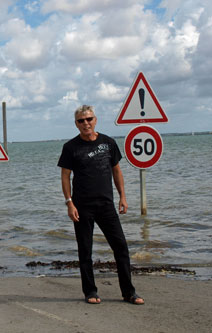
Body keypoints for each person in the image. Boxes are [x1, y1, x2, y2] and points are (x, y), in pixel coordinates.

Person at [57, 105, 144, 305]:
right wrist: (69, 203)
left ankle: (129, 292)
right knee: (85, 250)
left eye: (89, 119)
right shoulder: (71, 147)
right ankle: (90, 292)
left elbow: (117, 171)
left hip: (106, 205)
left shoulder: (108, 142)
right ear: (76, 124)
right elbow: (65, 176)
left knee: (121, 247)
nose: (86, 123)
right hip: (82, 206)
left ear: (95, 120)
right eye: (81, 120)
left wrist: (123, 196)